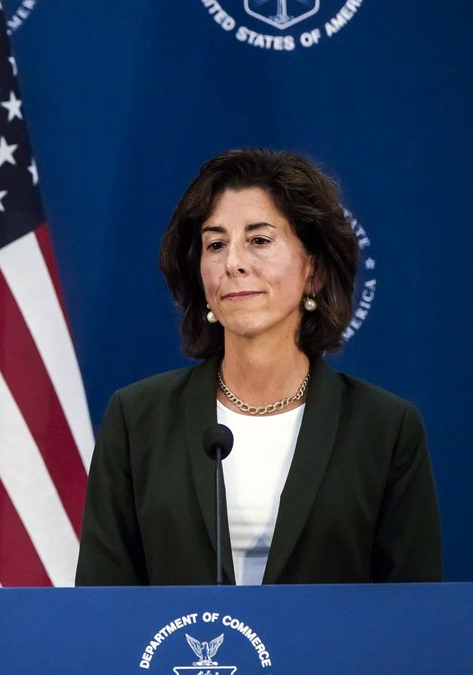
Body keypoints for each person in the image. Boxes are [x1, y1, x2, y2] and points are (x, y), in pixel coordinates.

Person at [75, 148, 442, 586]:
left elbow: (415, 620)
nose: (234, 263)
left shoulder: (385, 428)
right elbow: (102, 607)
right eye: (215, 244)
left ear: (314, 271)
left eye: (259, 240)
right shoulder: (137, 420)